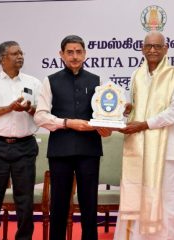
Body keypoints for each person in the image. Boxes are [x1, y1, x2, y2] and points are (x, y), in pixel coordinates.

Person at [34, 35, 111, 240]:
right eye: (70, 52)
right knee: (58, 204)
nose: (74, 56)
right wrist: (67, 123)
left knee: (89, 205)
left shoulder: (98, 81)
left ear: (85, 54)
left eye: (78, 52)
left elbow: (105, 114)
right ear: (61, 55)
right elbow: (40, 116)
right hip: (60, 150)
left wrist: (107, 127)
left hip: (89, 150)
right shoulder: (50, 81)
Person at [113, 31, 174, 240]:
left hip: (166, 153)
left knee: (165, 202)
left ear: (165, 49)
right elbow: (135, 107)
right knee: (136, 197)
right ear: (142, 49)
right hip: (138, 149)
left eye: (157, 46)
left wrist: (145, 124)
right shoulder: (137, 75)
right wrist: (127, 110)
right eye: (148, 46)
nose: (152, 50)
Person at [0, 41, 41, 240]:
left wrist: (29, 108)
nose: (20, 56)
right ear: (2, 59)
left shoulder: (33, 82)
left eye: (21, 53)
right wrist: (8, 108)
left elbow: (43, 114)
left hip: (25, 146)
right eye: (14, 53)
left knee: (25, 199)